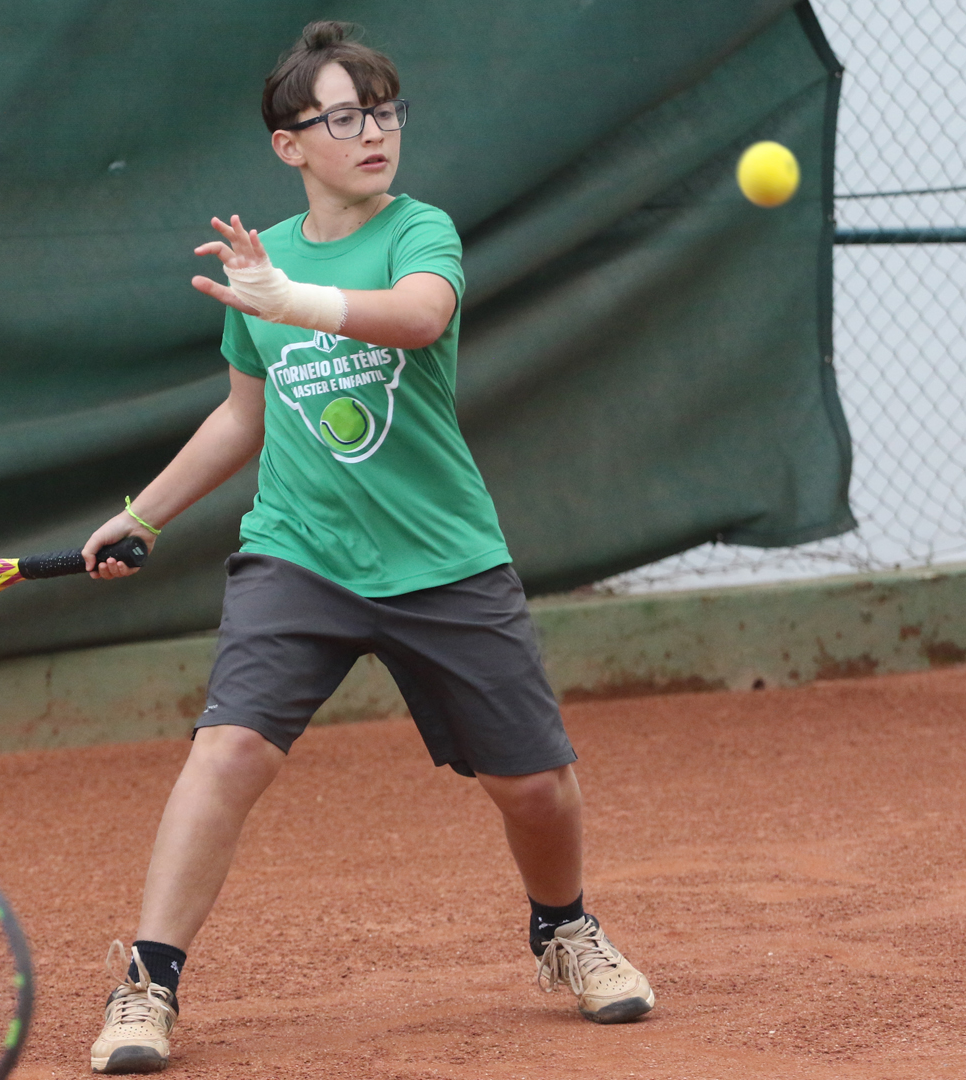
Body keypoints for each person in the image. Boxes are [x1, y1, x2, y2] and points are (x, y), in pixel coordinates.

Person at [78, 21, 655, 1075]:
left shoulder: (416, 232)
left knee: (534, 787)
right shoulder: (262, 263)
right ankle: (147, 984)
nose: (373, 131)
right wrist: (145, 510)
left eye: (383, 110)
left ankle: (563, 929)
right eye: (342, 117)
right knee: (229, 750)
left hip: (443, 557)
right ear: (289, 145)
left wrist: (294, 301)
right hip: (301, 553)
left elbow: (419, 319)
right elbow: (243, 417)